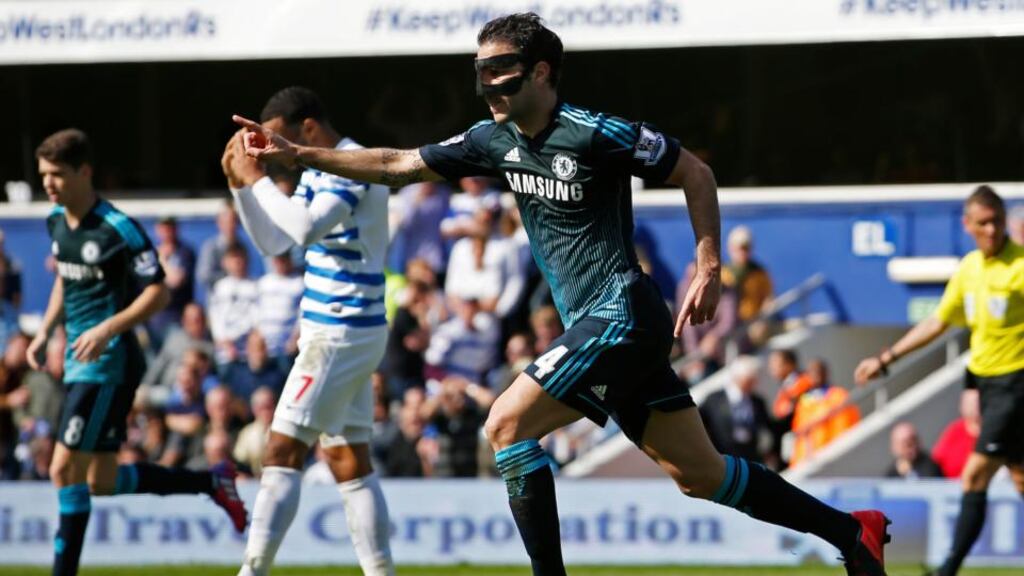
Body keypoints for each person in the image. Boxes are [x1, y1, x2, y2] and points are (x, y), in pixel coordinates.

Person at [233, 13, 890, 575]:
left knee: (505, 424)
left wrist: (708, 264)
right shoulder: (491, 140)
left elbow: (695, 171)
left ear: (543, 72)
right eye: (480, 70)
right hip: (599, 327)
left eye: (501, 69)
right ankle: (849, 531)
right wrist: (299, 154)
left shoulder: (596, 132)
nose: (487, 83)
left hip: (622, 311)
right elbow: (395, 165)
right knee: (702, 476)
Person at [26, 129, 246, 576]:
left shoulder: (118, 228)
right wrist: (46, 331)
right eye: (43, 175)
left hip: (109, 362)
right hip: (76, 358)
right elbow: (66, 280)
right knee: (100, 481)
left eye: (56, 175)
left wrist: (108, 328)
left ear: (84, 172)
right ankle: (210, 481)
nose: (48, 184)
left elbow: (159, 293)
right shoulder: (56, 220)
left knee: (63, 468)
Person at [223, 86, 395, 576]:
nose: (270, 150)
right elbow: (276, 241)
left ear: (309, 129)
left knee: (280, 449)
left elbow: (302, 230)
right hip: (341, 329)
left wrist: (256, 179)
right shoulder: (318, 168)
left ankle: (251, 571)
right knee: (348, 462)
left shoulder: (352, 163)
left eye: (276, 139)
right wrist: (241, 187)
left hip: (341, 330)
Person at [855, 185, 1024, 576]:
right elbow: (937, 321)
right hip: (986, 384)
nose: (992, 230)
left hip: (1015, 384)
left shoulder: (1019, 265)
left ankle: (946, 570)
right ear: (967, 225)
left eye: (997, 221)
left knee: (975, 474)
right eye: (982, 223)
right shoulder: (968, 269)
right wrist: (886, 358)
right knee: (1019, 478)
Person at [699, 356, 774, 465]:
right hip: (723, 459)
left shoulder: (757, 401)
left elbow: (768, 426)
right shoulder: (714, 400)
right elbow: (700, 421)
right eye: (749, 379)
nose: (754, 383)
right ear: (737, 377)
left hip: (751, 459)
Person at [790, 359, 860, 465]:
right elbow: (800, 429)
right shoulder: (803, 401)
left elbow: (845, 423)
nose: (815, 375)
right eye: (811, 372)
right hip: (810, 456)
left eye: (818, 371)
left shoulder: (839, 395)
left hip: (833, 451)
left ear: (826, 373)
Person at [931, 389, 981, 479]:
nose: (973, 408)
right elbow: (936, 460)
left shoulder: (993, 430)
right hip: (952, 486)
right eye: (968, 404)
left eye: (976, 403)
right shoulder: (954, 430)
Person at [197, 200, 241, 294]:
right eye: (227, 222)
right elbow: (204, 276)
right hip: (217, 302)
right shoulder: (210, 247)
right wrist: (230, 274)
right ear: (219, 223)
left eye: (234, 221)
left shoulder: (242, 246)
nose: (231, 225)